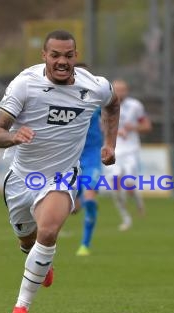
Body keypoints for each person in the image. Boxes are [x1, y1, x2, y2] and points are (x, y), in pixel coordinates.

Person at [0, 30, 120, 313]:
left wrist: (110, 143)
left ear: (76, 55)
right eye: (55, 55)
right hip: (22, 179)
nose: (62, 61)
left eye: (68, 55)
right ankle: (39, 262)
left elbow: (113, 105)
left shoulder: (94, 86)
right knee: (28, 241)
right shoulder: (25, 85)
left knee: (48, 232)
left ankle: (20, 310)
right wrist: (14, 136)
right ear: (44, 56)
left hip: (62, 176)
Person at [103, 79, 152, 231]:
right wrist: (115, 131)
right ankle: (126, 218)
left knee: (129, 185)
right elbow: (101, 126)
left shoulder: (135, 106)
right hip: (113, 149)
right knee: (115, 185)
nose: (120, 92)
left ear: (127, 90)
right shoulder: (105, 105)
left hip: (131, 150)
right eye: (116, 89)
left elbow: (147, 126)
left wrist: (133, 127)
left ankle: (138, 202)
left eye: (122, 89)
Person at [73, 62, 103, 257]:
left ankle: (85, 244)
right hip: (69, 157)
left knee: (90, 199)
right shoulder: (60, 99)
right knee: (72, 209)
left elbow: (111, 115)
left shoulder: (97, 99)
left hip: (92, 156)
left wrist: (110, 143)